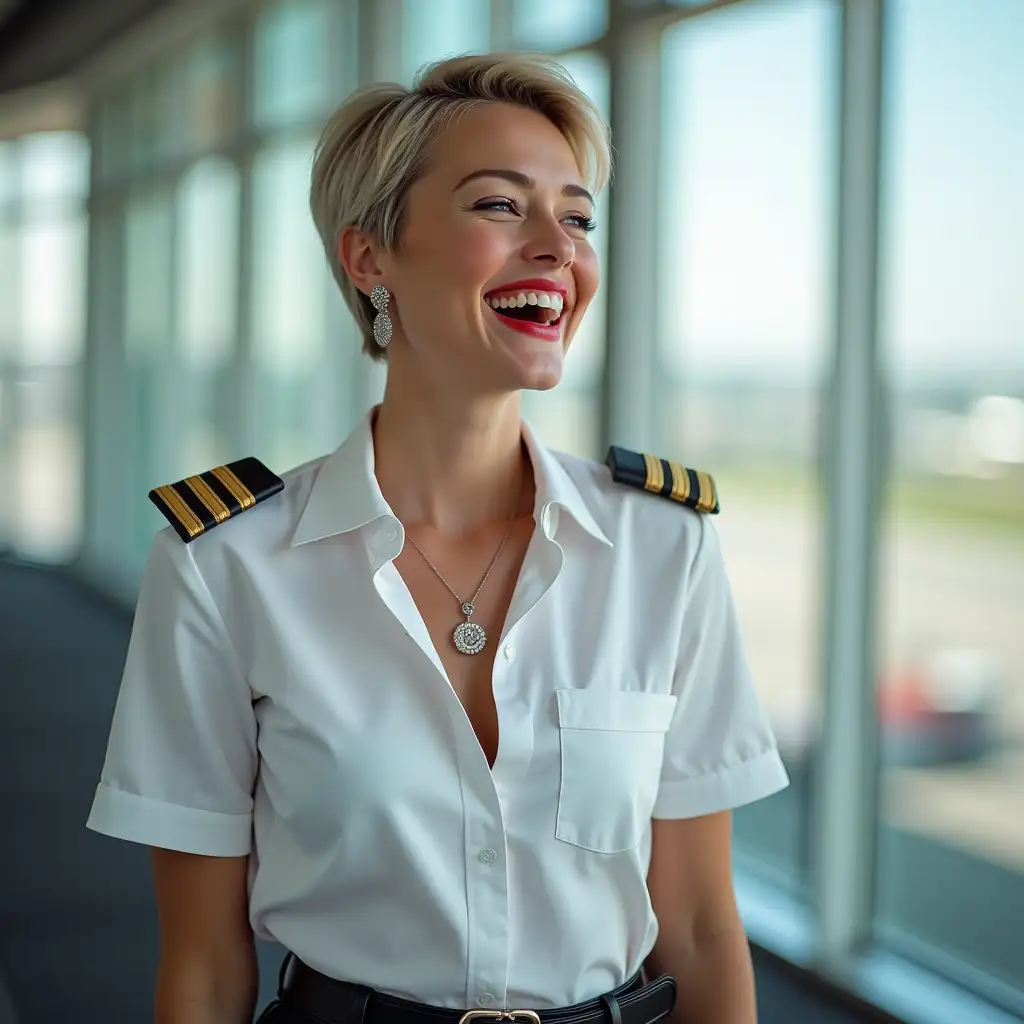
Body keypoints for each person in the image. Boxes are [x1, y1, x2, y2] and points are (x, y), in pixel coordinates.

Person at [86, 53, 789, 1024]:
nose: (557, 246)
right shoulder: (223, 563)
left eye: (577, 217)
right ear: (369, 256)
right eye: (501, 205)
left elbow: (705, 925)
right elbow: (204, 967)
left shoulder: (663, 547)